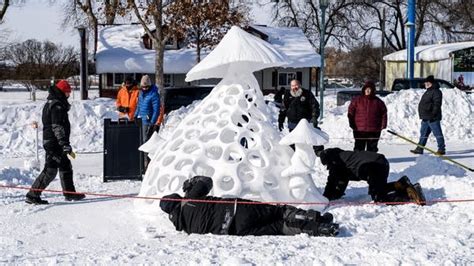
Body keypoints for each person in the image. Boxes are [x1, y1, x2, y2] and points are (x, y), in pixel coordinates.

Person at [160, 176, 339, 237]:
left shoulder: (184, 227)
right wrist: (191, 183)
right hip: (237, 210)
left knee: (278, 227)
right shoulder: (189, 198)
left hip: (235, 230)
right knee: (278, 211)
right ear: (176, 199)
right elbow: (207, 181)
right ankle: (311, 217)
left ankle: (320, 229)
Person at [25, 80, 86, 204]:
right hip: (54, 142)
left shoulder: (55, 102)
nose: (69, 95)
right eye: (68, 92)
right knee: (50, 170)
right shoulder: (56, 105)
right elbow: (57, 126)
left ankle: (70, 193)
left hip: (55, 141)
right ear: (63, 92)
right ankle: (32, 195)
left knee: (65, 166)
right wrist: (64, 143)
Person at [316, 147, 426, 205]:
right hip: (381, 163)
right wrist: (336, 194)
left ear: (330, 161)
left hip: (374, 167)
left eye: (327, 164)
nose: (328, 167)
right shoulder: (344, 156)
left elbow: (331, 182)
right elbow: (341, 180)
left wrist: (325, 198)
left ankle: (409, 195)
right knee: (379, 189)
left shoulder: (337, 163)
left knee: (380, 199)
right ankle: (401, 183)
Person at [410, 75, 446, 155]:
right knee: (423, 133)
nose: (426, 84)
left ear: (432, 83)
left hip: (433, 117)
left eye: (428, 82)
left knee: (437, 133)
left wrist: (433, 114)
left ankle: (441, 149)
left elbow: (437, 104)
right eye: (425, 82)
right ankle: (420, 148)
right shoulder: (428, 91)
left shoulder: (436, 92)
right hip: (425, 117)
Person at [348, 80, 387, 152]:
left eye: (369, 89)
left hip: (374, 130)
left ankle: (371, 162)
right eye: (366, 89)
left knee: (372, 150)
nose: (368, 91)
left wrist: (383, 125)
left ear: (373, 90)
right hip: (359, 130)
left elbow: (384, 114)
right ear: (363, 90)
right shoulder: (356, 100)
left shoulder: (379, 102)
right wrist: (352, 124)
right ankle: (358, 161)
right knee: (359, 148)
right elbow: (351, 112)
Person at [134, 75, 160, 142]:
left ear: (150, 85)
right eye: (143, 87)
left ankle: (146, 153)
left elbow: (156, 110)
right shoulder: (141, 93)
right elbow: (139, 105)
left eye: (147, 87)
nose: (145, 88)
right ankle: (142, 152)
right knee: (140, 139)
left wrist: (152, 122)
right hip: (141, 119)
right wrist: (135, 115)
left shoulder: (154, 94)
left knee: (146, 139)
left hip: (148, 120)